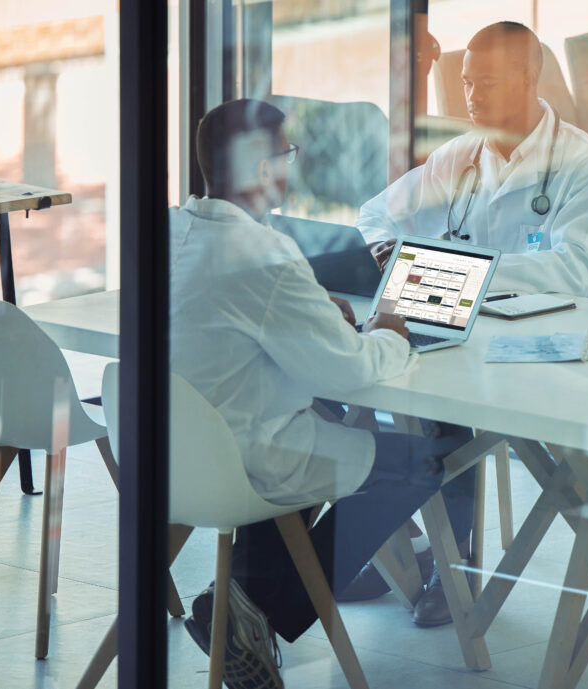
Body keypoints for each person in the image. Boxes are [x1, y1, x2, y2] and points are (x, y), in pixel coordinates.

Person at [172, 98, 472, 689]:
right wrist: (390, 331)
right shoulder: (264, 256)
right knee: (419, 462)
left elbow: (238, 333)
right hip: (245, 464)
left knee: (318, 423)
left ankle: (242, 596)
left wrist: (312, 316)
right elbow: (352, 373)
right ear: (262, 169)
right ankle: (256, 610)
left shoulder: (171, 230)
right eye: (285, 154)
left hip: (169, 455)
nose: (291, 165)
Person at [351, 21, 588, 626]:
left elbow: (575, 271)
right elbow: (376, 213)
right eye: (467, 83)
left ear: (531, 80)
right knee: (354, 389)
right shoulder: (461, 153)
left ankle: (457, 572)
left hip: (546, 350)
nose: (471, 97)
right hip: (460, 330)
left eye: (488, 84)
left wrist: (458, 272)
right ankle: (401, 551)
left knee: (435, 403)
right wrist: (388, 254)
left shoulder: (587, 164)